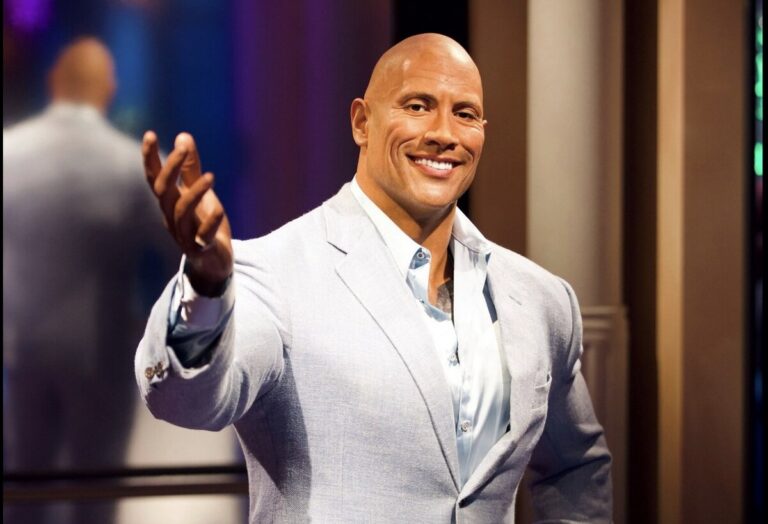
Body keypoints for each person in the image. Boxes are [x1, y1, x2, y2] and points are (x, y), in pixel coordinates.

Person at [136, 33, 612, 522]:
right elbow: (187, 402)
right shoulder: (274, 272)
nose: (444, 133)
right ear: (362, 122)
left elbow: (576, 467)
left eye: (465, 114)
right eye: (418, 106)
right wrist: (208, 284)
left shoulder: (539, 298)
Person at [3, 37, 173, 524]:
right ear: (108, 89)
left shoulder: (8, 153)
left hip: (20, 351)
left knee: (23, 493)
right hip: (101, 352)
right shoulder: (134, 163)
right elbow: (185, 250)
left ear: (53, 81)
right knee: (95, 499)